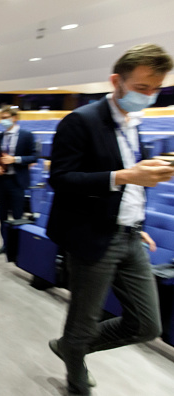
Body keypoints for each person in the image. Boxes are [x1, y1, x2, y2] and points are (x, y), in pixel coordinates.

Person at [46, 43, 174, 395]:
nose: (149, 96)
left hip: (130, 234)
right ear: (117, 81)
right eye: (142, 88)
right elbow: (61, 179)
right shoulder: (80, 121)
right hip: (91, 235)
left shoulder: (135, 124)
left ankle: (72, 346)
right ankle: (76, 368)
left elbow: (134, 184)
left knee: (147, 325)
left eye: (156, 89)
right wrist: (124, 176)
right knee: (84, 319)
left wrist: (139, 222)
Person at [0, 106, 37, 255]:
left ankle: (17, 249)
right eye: (1, 118)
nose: (4, 121)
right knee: (2, 217)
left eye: (6, 117)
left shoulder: (26, 135)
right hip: (1, 182)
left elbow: (34, 156)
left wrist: (14, 159)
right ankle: (5, 245)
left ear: (15, 118)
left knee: (17, 216)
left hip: (17, 182)